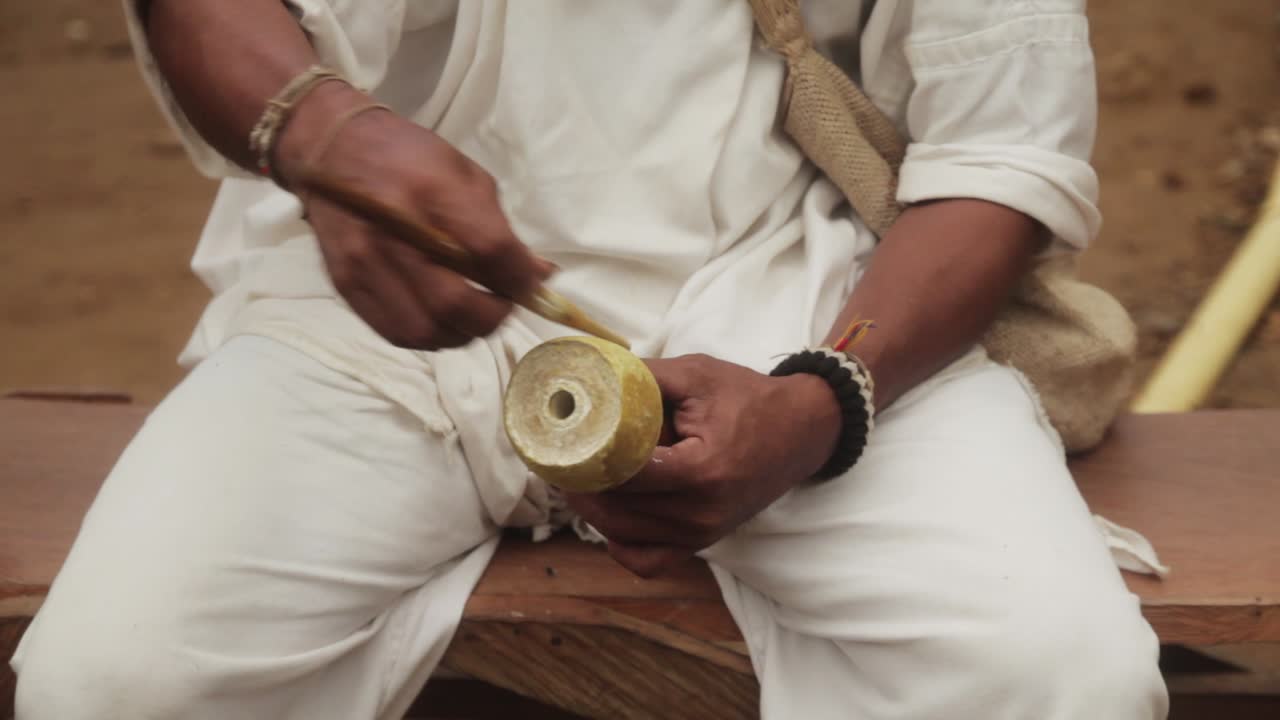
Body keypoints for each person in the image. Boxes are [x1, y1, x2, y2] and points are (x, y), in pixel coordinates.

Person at [13, 1, 1169, 718]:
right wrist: (323, 138)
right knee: (110, 687)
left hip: (807, 307)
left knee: (1061, 682)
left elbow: (998, 155)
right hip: (382, 310)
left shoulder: (818, 360)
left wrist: (823, 402)